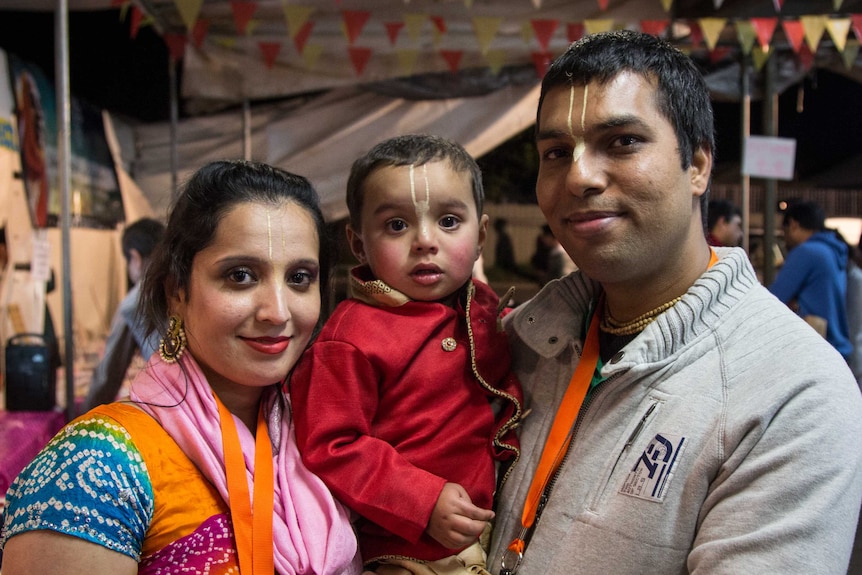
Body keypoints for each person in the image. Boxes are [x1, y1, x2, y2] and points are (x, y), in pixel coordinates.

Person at [486, 30, 862, 575]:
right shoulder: (521, 342)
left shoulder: (793, 392)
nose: (579, 176)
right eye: (555, 153)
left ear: (698, 166)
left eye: (622, 142)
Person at [0, 160, 361, 575]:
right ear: (177, 291)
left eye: (299, 278)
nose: (277, 312)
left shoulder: (327, 440)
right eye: (241, 276)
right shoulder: (95, 466)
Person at [291, 134, 523, 574]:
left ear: (481, 236)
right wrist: (421, 501)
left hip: (491, 538)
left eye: (449, 221)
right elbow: (330, 445)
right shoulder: (350, 337)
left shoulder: (483, 306)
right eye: (396, 225)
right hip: (403, 551)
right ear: (359, 244)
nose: (425, 241)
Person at [81, 218, 165, 412]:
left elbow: (108, 375)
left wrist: (83, 420)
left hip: (172, 405)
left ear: (134, 258)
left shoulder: (135, 301)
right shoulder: (185, 282)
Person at [769, 200, 853, 360]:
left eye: (784, 232)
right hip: (839, 347)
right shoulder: (833, 250)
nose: (785, 239)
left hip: (817, 349)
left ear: (793, 224)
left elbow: (774, 299)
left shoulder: (806, 252)